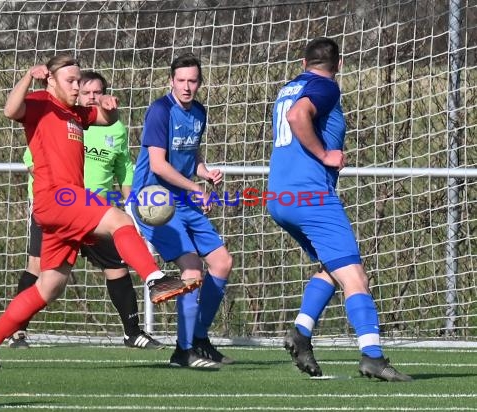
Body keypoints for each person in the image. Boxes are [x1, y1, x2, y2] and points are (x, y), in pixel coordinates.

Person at [0, 55, 199, 368]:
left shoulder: (75, 112)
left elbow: (108, 120)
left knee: (49, 286)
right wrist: (26, 76)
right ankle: (155, 279)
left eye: (79, 81)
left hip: (63, 208)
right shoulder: (39, 102)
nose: (77, 87)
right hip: (58, 198)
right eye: (71, 81)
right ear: (50, 80)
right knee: (120, 220)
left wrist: (108, 107)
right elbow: (10, 110)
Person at [267, 37, 412, 381]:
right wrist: (324, 154)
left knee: (332, 268)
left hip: (280, 197)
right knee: (355, 276)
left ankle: (301, 333)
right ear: (340, 64)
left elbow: (292, 111)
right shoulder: (325, 86)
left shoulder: (289, 86)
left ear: (303, 62)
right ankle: (373, 356)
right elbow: (298, 115)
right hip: (311, 197)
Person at [8, 71, 164, 350]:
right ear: (77, 93)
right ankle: (16, 332)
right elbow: (33, 159)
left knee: (116, 266)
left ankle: (133, 333)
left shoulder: (113, 127)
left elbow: (123, 169)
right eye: (87, 92)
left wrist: (132, 208)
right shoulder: (60, 118)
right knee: (41, 271)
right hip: (59, 208)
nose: (93, 96)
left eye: (98, 92)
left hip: (97, 213)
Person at [131, 53, 233, 369]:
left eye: (193, 81)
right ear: (171, 81)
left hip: (182, 197)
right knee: (192, 268)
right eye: (181, 81)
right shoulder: (161, 111)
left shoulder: (199, 112)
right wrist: (194, 189)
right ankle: (182, 351)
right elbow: (159, 165)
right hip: (154, 201)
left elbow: (190, 156)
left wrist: (204, 173)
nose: (187, 87)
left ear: (200, 83)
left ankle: (199, 339)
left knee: (222, 262)